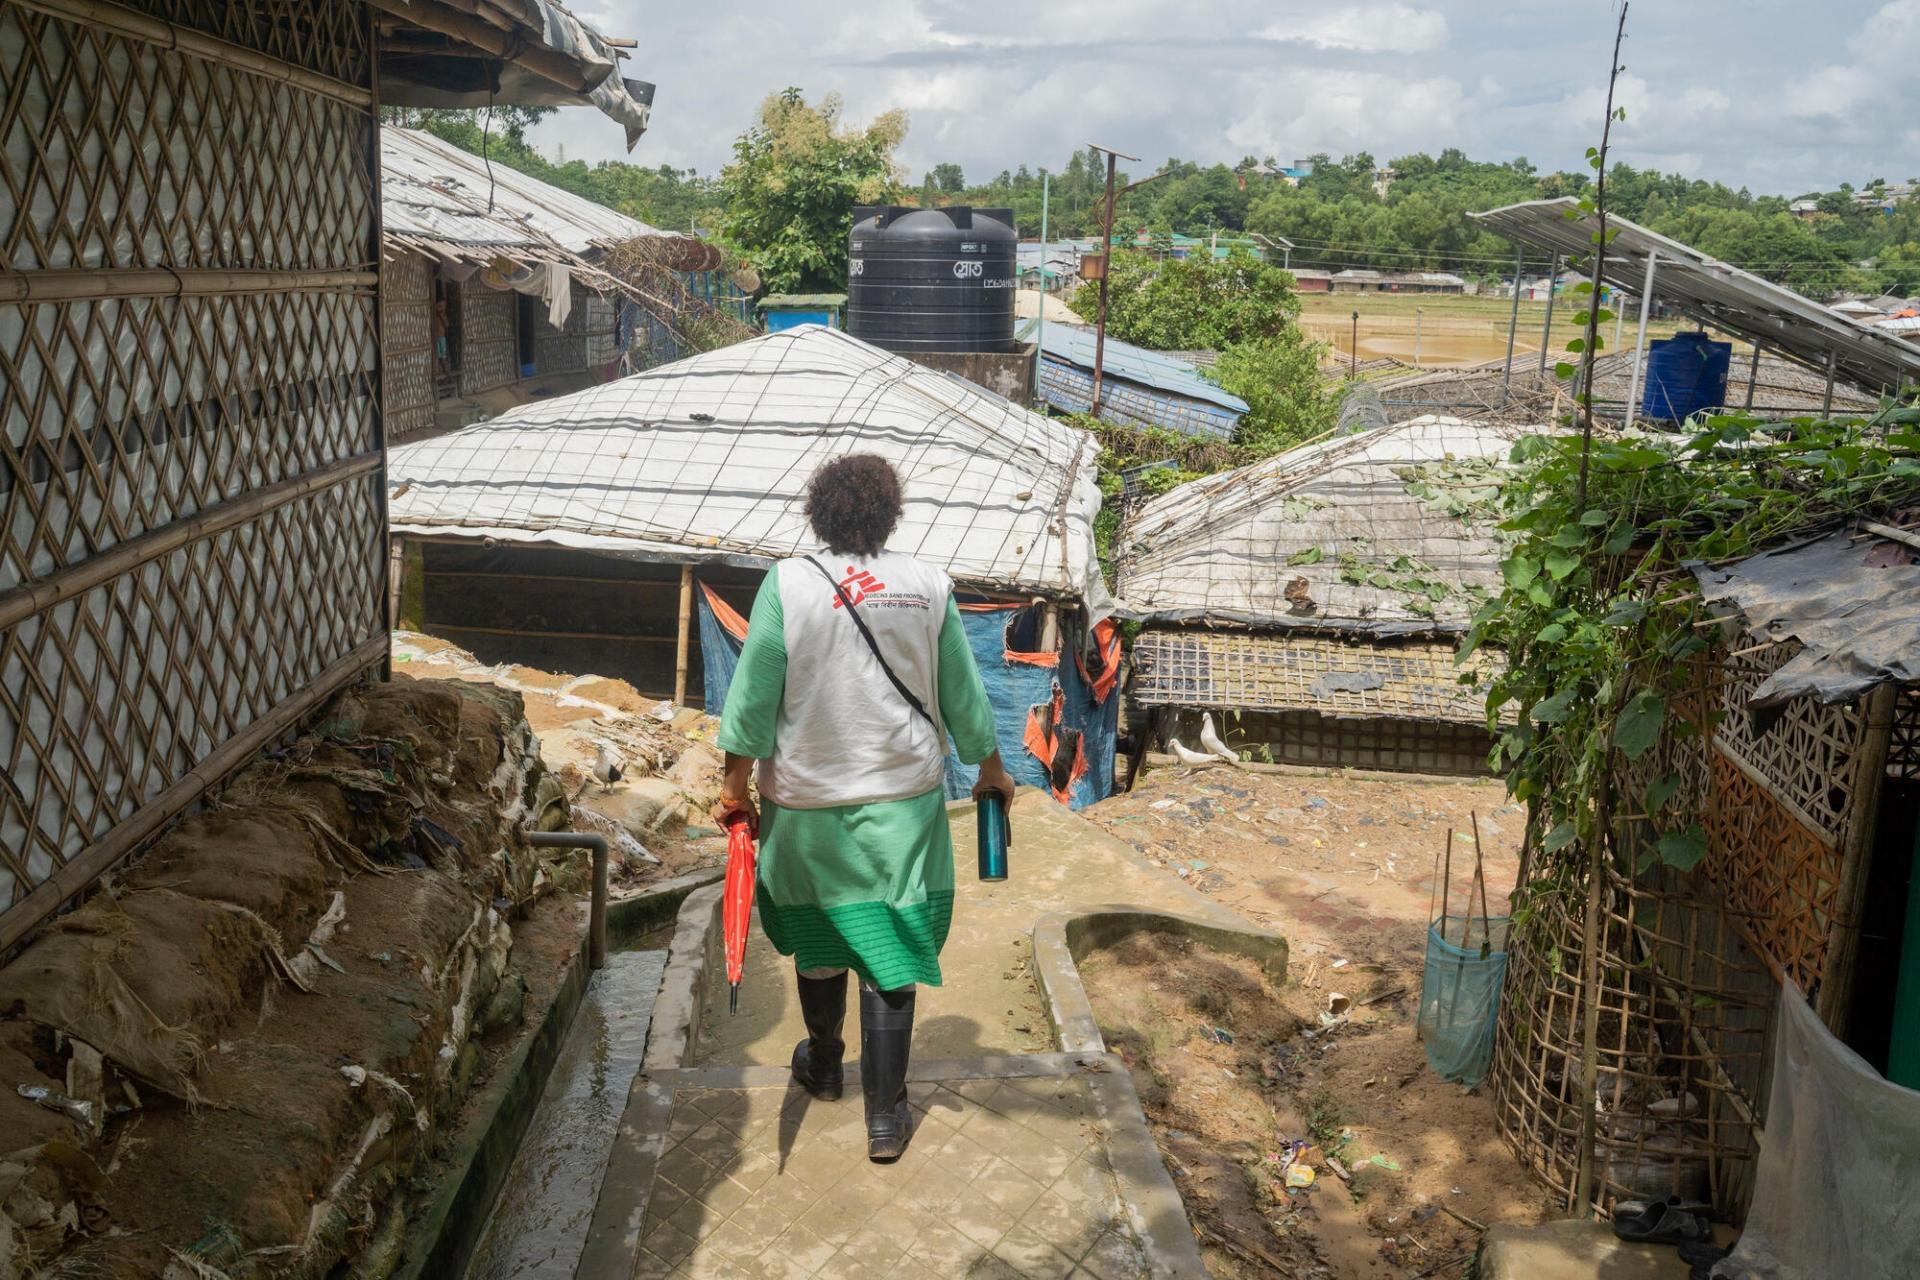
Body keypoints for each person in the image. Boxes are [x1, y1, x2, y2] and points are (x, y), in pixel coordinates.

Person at [713, 453, 1016, 1162]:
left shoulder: (787, 584)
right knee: (893, 946)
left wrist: (734, 791)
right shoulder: (928, 586)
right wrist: (992, 769)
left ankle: (823, 1067)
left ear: (820, 510)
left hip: (806, 805)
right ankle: (885, 1117)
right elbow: (964, 698)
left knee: (822, 940)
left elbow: (753, 700)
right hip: (905, 803)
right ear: (890, 512)